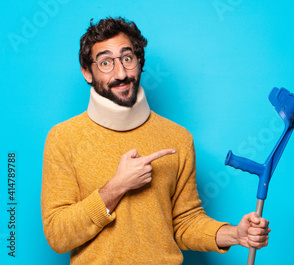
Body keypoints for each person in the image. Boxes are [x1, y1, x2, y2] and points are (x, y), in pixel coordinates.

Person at [41, 17, 270, 265]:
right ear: (87, 72)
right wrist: (117, 187)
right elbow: (58, 235)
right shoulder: (64, 138)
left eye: (127, 59)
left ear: (139, 62)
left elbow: (185, 223)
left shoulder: (178, 138)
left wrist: (234, 234)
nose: (120, 73)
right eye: (105, 63)